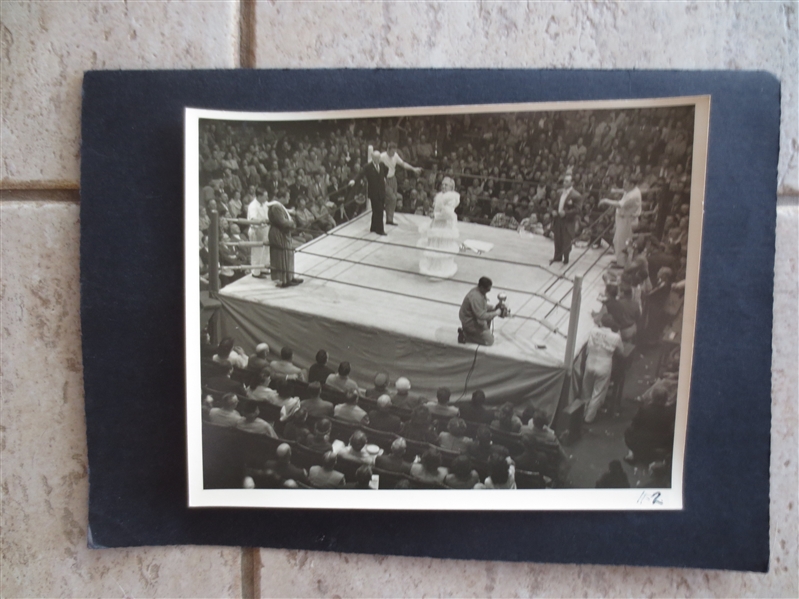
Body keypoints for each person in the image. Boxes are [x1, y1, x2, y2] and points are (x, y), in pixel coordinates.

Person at [583, 314, 624, 423]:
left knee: (586, 390)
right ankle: (589, 418)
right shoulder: (616, 337)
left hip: (590, 363)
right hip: (604, 366)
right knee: (597, 393)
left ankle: (582, 412)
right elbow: (621, 351)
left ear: (602, 323)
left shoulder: (593, 331)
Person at [418, 176, 460, 278]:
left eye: (446, 185)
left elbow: (448, 214)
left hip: (445, 225)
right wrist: (433, 213)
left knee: (442, 246)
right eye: (442, 184)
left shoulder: (452, 197)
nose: (444, 186)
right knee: (434, 245)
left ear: (451, 187)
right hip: (436, 224)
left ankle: (442, 269)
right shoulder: (440, 196)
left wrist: (436, 216)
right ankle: (433, 267)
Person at [599, 176, 643, 267]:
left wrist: (605, 200)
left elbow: (619, 204)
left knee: (621, 242)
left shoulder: (632, 195)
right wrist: (616, 191)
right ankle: (621, 261)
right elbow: (624, 191)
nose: (623, 185)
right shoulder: (633, 190)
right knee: (618, 240)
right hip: (624, 219)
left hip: (627, 220)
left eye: (625, 184)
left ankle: (622, 264)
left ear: (632, 184)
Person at [380, 141, 422, 225]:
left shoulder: (395, 155)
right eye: (392, 152)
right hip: (384, 179)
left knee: (393, 199)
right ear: (388, 149)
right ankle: (382, 217)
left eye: (394, 152)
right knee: (392, 198)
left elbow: (403, 164)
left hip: (393, 178)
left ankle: (389, 220)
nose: (393, 154)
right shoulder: (382, 157)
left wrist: (413, 168)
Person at [349, 150, 389, 236]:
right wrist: (353, 180)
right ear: (373, 158)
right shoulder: (368, 167)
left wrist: (384, 178)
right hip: (374, 192)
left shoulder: (381, 165)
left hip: (381, 191)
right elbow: (360, 174)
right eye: (376, 158)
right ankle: (380, 230)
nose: (378, 159)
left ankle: (373, 227)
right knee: (379, 211)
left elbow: (386, 170)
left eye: (379, 158)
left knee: (376, 211)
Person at [268, 194, 303, 287]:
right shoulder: (276, 207)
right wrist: (293, 223)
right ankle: (284, 280)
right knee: (282, 255)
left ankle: (290, 277)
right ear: (282, 197)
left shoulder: (279, 206)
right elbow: (282, 222)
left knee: (288, 254)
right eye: (287, 196)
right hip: (279, 233)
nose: (289, 198)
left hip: (284, 233)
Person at [458, 277, 503, 346]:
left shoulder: (478, 291)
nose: (489, 290)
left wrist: (493, 308)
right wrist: (496, 313)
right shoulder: (475, 297)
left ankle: (477, 333)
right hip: (469, 321)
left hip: (472, 317)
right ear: (482, 287)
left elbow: (481, 306)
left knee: (488, 317)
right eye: (488, 289)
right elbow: (481, 316)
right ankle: (466, 335)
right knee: (490, 341)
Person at [550, 174, 582, 265]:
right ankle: (557, 256)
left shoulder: (576, 195)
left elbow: (578, 209)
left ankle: (566, 258)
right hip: (558, 218)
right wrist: (554, 211)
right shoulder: (559, 192)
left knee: (566, 239)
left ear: (572, 183)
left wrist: (566, 213)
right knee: (557, 238)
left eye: (567, 181)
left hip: (568, 220)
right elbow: (554, 204)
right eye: (564, 181)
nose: (564, 183)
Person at [247, 190, 271, 278]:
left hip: (265, 229)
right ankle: (255, 272)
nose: (267, 198)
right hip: (256, 230)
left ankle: (263, 268)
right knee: (257, 252)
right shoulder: (253, 206)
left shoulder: (265, 203)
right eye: (265, 196)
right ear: (259, 196)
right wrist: (262, 221)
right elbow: (253, 219)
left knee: (265, 250)